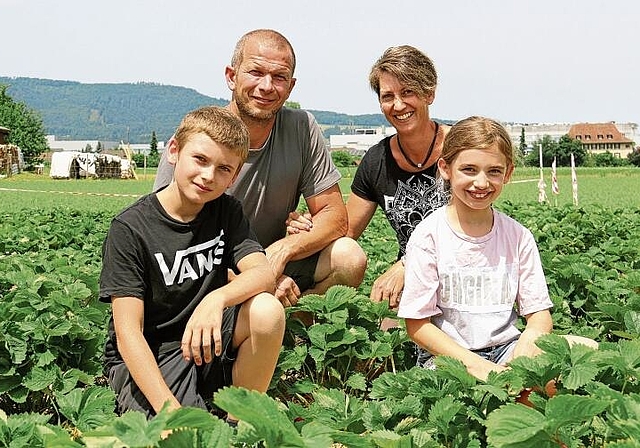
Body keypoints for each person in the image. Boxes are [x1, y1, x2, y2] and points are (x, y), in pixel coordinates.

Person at [154, 29, 366, 308]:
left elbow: (336, 217)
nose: (266, 86)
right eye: (256, 72)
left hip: (274, 260)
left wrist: (285, 248)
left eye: (279, 77)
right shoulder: (201, 133)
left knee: (349, 257)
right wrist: (257, 278)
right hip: (208, 268)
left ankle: (297, 329)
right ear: (231, 76)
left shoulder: (301, 128)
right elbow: (168, 238)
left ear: (290, 86)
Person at [100, 106, 285, 418]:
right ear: (174, 151)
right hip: (153, 351)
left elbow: (263, 274)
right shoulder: (131, 229)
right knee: (183, 433)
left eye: (224, 169)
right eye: (200, 159)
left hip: (206, 337)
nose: (208, 176)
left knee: (267, 311)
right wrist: (168, 410)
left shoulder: (226, 211)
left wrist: (217, 298)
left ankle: (240, 420)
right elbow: (129, 332)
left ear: (234, 176)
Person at [397, 116, 597, 381]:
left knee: (589, 350)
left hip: (507, 349)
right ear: (446, 168)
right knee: (495, 389)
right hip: (449, 356)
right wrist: (479, 368)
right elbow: (417, 325)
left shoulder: (518, 236)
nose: (481, 183)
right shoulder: (428, 236)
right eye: (469, 169)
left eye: (493, 171)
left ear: (508, 173)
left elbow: (538, 315)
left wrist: (525, 352)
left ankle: (518, 394)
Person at [287, 45, 449, 309]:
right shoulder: (376, 161)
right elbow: (345, 231)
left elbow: (473, 227)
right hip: (413, 282)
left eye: (408, 92)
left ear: (429, 93)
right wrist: (307, 229)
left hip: (465, 272)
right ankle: (299, 319)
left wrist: (408, 263)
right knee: (387, 341)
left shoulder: (460, 147)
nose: (398, 105)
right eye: (388, 96)